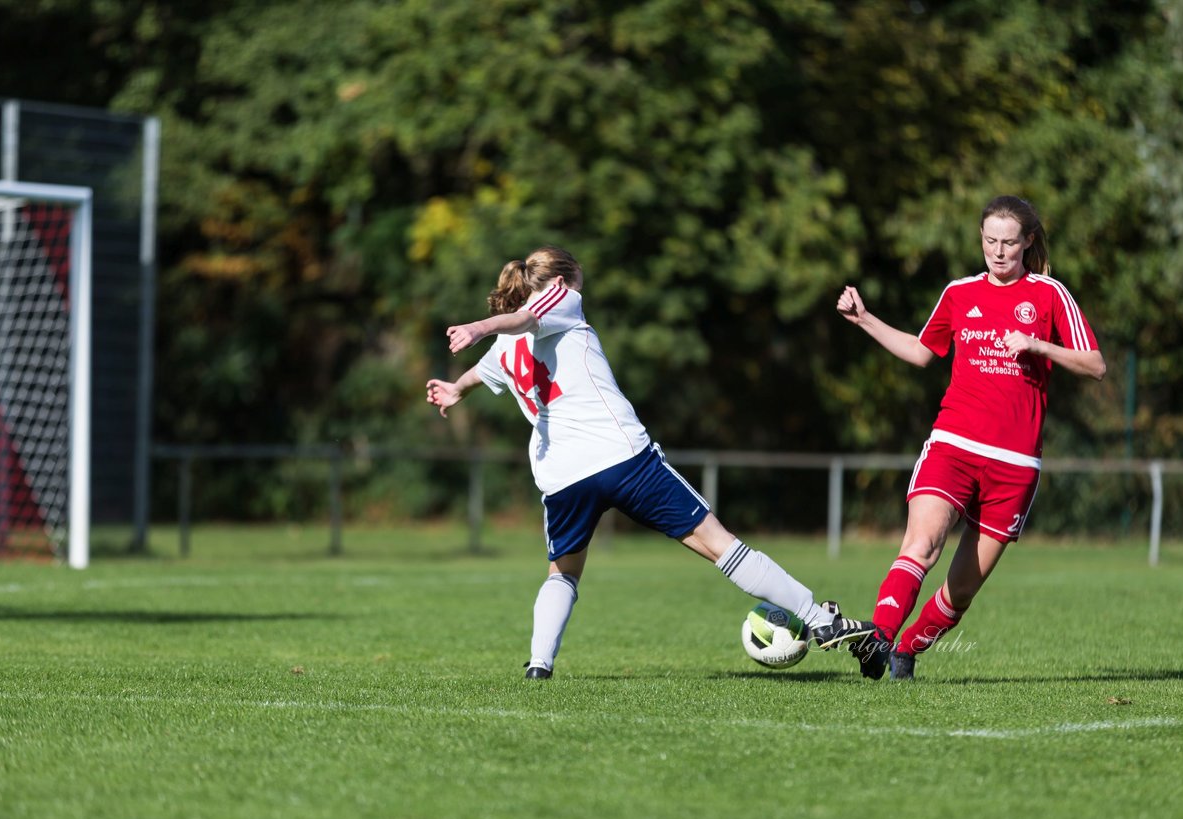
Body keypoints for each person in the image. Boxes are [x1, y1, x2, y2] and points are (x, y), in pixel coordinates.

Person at [426, 245, 875, 679]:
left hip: (562, 478)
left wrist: (456, 389)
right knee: (720, 543)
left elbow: (483, 370)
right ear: (562, 281)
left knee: (563, 573)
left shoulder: (507, 348)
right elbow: (525, 316)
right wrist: (481, 327)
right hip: (621, 457)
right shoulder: (560, 300)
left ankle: (539, 665)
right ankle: (820, 619)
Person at [836, 196, 1106, 680]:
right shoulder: (960, 293)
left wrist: (1038, 344)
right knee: (921, 544)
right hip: (954, 445)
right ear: (980, 239)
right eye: (989, 241)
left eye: (1008, 243)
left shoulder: (1048, 294)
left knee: (960, 592)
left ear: (1027, 243)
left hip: (1015, 465)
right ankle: (877, 640)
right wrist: (864, 320)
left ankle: (907, 650)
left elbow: (1095, 365)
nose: (998, 252)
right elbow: (922, 352)